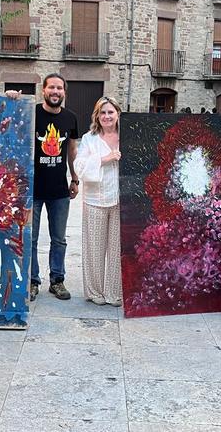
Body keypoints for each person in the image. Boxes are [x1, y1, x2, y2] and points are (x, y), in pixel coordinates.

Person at [8, 74, 79, 301]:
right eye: (51, 87)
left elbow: (72, 152)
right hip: (32, 190)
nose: (55, 91)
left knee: (59, 239)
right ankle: (33, 281)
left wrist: (75, 179)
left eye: (59, 88)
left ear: (64, 92)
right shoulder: (31, 113)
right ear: (44, 91)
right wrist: (12, 99)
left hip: (59, 191)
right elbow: (8, 120)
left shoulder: (71, 118)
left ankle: (57, 281)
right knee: (32, 238)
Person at [74, 97, 122, 307]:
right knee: (94, 248)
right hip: (95, 199)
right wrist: (105, 159)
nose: (107, 116)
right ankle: (95, 291)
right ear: (97, 116)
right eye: (103, 113)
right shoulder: (89, 139)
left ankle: (114, 292)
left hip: (120, 199)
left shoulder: (126, 137)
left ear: (117, 114)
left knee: (116, 250)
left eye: (110, 112)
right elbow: (79, 165)